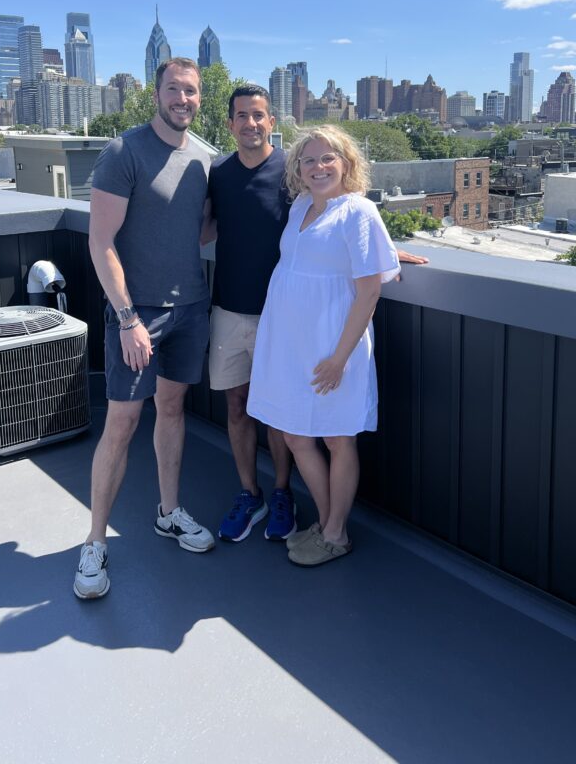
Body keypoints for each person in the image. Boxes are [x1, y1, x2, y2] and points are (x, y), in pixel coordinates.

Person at [74, 57, 214, 600]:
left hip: (191, 309)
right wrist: (129, 318)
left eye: (192, 91)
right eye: (174, 89)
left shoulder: (206, 158)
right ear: (157, 94)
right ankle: (94, 542)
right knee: (123, 422)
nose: (183, 99)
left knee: (173, 409)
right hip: (138, 316)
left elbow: (200, 228)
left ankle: (169, 512)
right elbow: (100, 241)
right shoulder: (123, 151)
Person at [246, 125, 401, 567]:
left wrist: (339, 359)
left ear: (347, 163)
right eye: (308, 160)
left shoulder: (359, 212)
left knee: (337, 437)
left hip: (335, 347)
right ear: (297, 169)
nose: (317, 167)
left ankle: (335, 534)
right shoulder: (300, 208)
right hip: (293, 346)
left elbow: (369, 291)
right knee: (296, 433)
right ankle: (328, 524)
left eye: (327, 158)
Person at [203, 84, 296, 542]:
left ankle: (281, 493)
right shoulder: (217, 171)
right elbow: (198, 228)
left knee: (276, 413)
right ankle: (249, 493)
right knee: (236, 407)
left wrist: (385, 249)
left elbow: (332, 212)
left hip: (278, 316)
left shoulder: (291, 170)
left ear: (271, 123)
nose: (251, 124)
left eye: (258, 115)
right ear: (230, 124)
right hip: (227, 311)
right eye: (242, 116)